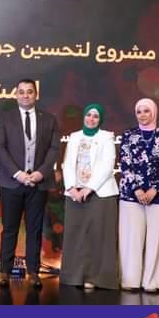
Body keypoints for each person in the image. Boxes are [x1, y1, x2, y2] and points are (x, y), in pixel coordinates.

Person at [0, 78, 60, 289]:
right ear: (16, 95)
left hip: (38, 184)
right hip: (11, 182)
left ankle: (33, 272)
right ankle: (4, 271)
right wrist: (17, 173)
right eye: (21, 92)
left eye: (29, 91)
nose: (25, 95)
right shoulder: (5, 118)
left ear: (36, 95)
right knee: (9, 228)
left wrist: (41, 173)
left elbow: (54, 149)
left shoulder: (49, 120)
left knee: (35, 229)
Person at [118, 98, 159, 293]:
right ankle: (130, 280)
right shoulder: (128, 136)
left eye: (146, 111)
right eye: (139, 111)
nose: (142, 115)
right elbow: (125, 164)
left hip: (158, 195)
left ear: (154, 112)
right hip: (131, 194)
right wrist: (137, 189)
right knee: (131, 239)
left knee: (156, 240)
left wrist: (154, 189)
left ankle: (152, 282)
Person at [60, 104, 119, 290]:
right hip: (75, 193)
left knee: (98, 236)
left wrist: (89, 188)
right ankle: (73, 277)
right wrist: (71, 188)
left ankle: (96, 278)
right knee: (75, 236)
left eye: (95, 116)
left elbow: (108, 165)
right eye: (88, 115)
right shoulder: (75, 136)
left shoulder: (106, 137)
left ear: (100, 120)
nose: (91, 119)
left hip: (100, 193)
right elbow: (67, 163)